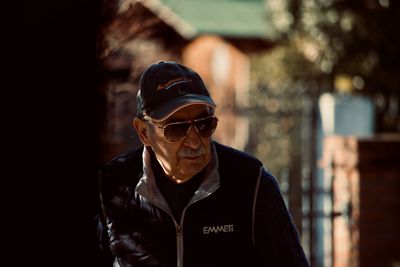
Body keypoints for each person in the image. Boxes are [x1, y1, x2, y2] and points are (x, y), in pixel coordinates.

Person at [96, 61, 310, 267]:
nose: (195, 140)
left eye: (204, 124)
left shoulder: (251, 183)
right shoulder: (110, 186)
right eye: (177, 128)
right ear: (144, 132)